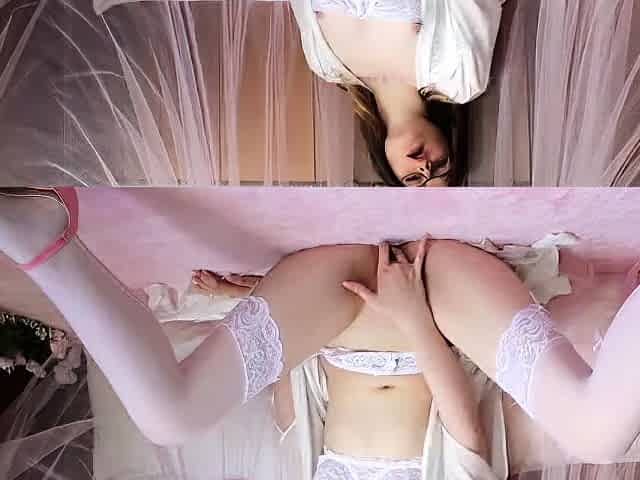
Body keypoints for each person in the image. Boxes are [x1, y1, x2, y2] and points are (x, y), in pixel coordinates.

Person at [2, 188, 640, 478]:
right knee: (601, 437)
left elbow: (293, 396)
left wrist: (258, 301)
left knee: (171, 421)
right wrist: (412, 315)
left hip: (337, 308)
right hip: (439, 304)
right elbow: (464, 430)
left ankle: (40, 235)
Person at [289, 0, 506, 186]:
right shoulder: (458, 78)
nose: (425, 167)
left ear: (389, 170)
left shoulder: (325, 64)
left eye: (414, 178)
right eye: (441, 166)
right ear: (452, 146)